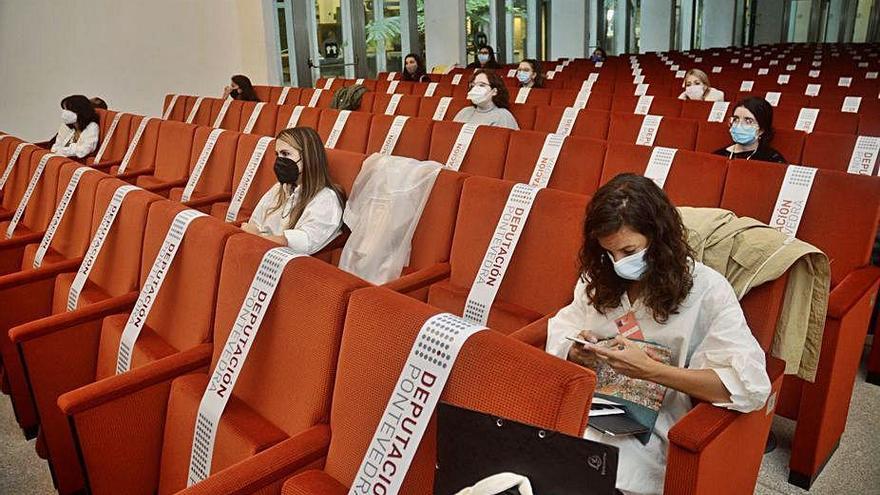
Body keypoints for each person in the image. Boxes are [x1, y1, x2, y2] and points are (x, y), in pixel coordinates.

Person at [545, 174, 771, 495]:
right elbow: (564, 326)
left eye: (629, 250)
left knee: (598, 472)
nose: (619, 263)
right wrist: (575, 350)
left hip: (651, 423)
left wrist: (654, 371)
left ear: (658, 237)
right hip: (590, 401)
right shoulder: (599, 277)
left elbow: (747, 387)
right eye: (610, 253)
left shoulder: (706, 290)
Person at [242, 127, 345, 254]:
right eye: (277, 154)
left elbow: (304, 242)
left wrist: (258, 237)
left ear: (308, 156)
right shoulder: (280, 188)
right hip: (259, 251)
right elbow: (254, 223)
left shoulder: (326, 198)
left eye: (285, 154)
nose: (279, 160)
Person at [713, 97, 786, 163]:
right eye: (736, 119)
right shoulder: (718, 156)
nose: (739, 126)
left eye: (748, 121)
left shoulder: (772, 160)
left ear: (761, 129)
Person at [453, 69, 519, 130]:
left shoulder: (503, 116)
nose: (475, 89)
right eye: (473, 86)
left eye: (482, 85)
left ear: (494, 91)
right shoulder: (464, 112)